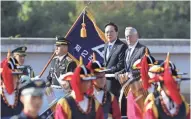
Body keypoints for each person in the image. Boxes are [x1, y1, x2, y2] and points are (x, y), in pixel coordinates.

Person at [144, 53, 190, 119]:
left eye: (176, 83)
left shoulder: (184, 106)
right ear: (162, 85)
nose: (175, 87)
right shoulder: (152, 104)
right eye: (170, 84)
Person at [103, 22, 127, 102]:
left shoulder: (122, 46)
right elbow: (106, 63)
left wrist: (107, 70)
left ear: (116, 33)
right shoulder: (106, 45)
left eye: (111, 31)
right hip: (105, 82)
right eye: (107, 32)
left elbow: (121, 65)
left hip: (115, 82)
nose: (108, 34)